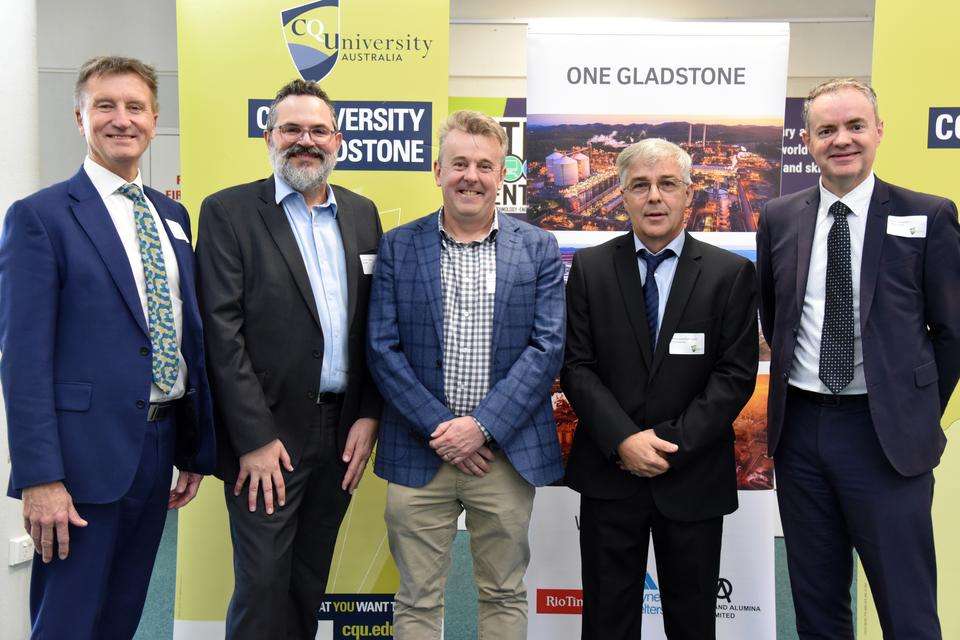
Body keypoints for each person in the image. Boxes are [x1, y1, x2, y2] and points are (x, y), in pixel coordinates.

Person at [0, 55, 216, 639]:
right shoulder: (40, 218)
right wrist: (41, 476)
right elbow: (22, 362)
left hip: (158, 444)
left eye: (135, 107)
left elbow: (182, 332)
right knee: (68, 621)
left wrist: (192, 447)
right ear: (79, 117)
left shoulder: (173, 217)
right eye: (105, 105)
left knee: (122, 615)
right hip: (79, 461)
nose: (122, 119)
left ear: (153, 119)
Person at [757, 78, 960, 639]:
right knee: (817, 603)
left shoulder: (930, 215)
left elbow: (951, 332)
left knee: (907, 606)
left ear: (878, 132)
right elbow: (773, 314)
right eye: (826, 130)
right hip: (800, 433)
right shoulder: (778, 216)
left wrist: (912, 409)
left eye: (854, 126)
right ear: (808, 140)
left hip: (885, 438)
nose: (841, 140)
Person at [366, 110, 565, 639]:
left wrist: (481, 427)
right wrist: (445, 429)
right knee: (415, 599)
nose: (470, 176)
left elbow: (547, 348)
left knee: (503, 593)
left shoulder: (538, 247)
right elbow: (382, 348)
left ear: (502, 176)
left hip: (504, 453)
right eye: (458, 163)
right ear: (437, 171)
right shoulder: (398, 246)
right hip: (419, 448)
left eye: (484, 165)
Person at [196, 79, 382, 640]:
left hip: (341, 432)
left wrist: (369, 415)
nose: (306, 141)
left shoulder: (362, 213)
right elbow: (220, 333)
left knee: (309, 579)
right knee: (262, 584)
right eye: (292, 129)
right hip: (266, 437)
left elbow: (375, 325)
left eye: (318, 130)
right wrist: (253, 438)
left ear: (338, 141)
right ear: (269, 136)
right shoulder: (229, 212)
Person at [561, 138, 759, 640]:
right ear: (623, 196)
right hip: (611, 473)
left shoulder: (730, 273)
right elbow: (577, 368)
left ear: (688, 194)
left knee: (693, 624)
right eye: (640, 186)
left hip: (691, 476)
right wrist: (625, 440)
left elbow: (733, 376)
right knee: (607, 622)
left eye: (667, 184)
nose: (655, 197)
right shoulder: (589, 269)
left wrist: (669, 444)